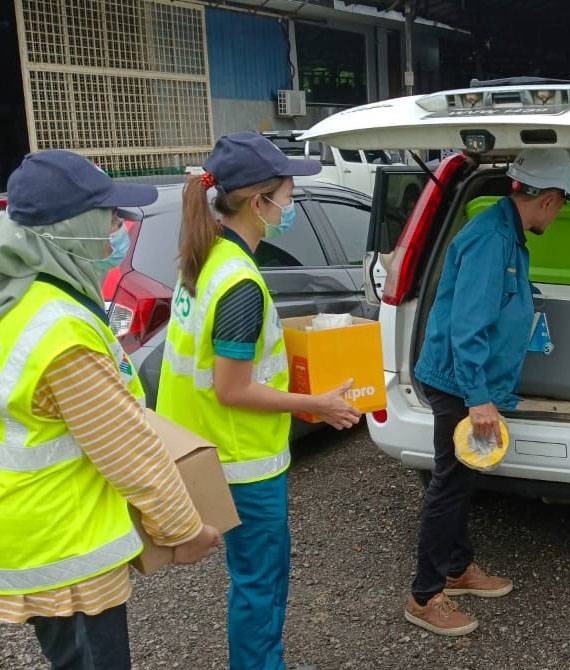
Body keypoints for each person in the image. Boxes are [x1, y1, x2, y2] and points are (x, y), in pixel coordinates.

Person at [0, 150, 221, 669]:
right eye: (107, 216)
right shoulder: (61, 332)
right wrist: (185, 532)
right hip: (67, 550)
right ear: (67, 228)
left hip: (36, 532)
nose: (118, 228)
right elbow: (127, 451)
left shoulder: (23, 295)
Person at [156, 132, 362, 669]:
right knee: (260, 584)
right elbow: (232, 387)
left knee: (250, 580)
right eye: (289, 196)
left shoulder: (203, 260)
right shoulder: (240, 282)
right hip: (243, 460)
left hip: (205, 448)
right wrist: (316, 401)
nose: (291, 207)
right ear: (258, 201)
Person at [405, 148, 570, 636]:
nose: (560, 213)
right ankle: (424, 595)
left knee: (463, 479)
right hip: (460, 384)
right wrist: (478, 397)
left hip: (470, 382)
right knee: (450, 485)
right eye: (561, 203)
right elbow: (468, 325)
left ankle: (458, 568)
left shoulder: (506, 233)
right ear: (546, 199)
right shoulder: (490, 240)